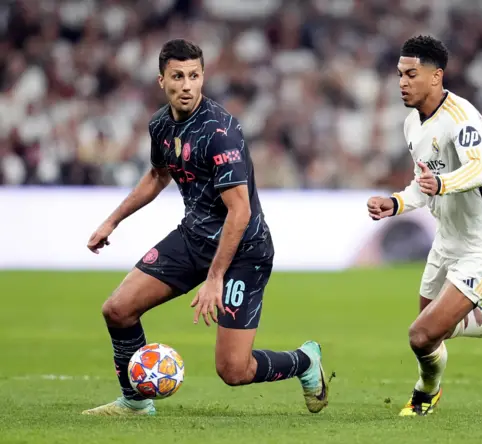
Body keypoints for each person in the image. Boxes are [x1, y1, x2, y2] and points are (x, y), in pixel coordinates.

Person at [82, 39, 328, 416]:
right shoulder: (160, 125)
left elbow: (240, 211)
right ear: (161, 80)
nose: (186, 85)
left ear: (203, 77)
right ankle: (135, 401)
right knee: (117, 310)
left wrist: (216, 278)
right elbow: (157, 176)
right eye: (178, 76)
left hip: (244, 251)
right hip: (194, 238)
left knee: (233, 370)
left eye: (194, 76)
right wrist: (112, 221)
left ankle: (304, 361)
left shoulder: (220, 132)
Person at [366, 35, 482, 417]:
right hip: (447, 241)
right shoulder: (411, 125)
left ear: (436, 76)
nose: (402, 81)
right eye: (400, 74)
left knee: (422, 333)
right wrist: (396, 202)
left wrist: (444, 183)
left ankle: (426, 394)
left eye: (411, 74)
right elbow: (424, 186)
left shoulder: (462, 118)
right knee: (435, 331)